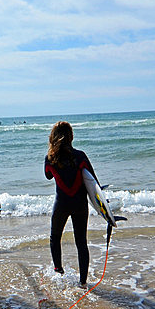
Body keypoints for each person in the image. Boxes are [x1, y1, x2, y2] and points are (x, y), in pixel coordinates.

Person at [44, 121, 98, 287]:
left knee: (55, 238)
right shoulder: (80, 156)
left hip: (61, 204)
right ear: (71, 136)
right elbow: (93, 181)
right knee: (81, 242)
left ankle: (58, 272)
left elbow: (48, 176)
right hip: (80, 204)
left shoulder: (50, 158)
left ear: (53, 137)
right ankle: (83, 282)